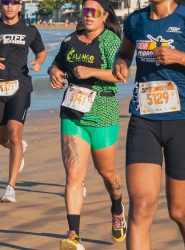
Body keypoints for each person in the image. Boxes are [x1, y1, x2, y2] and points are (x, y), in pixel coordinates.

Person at [113, 0, 185, 249]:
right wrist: (120, 62)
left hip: (184, 123)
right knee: (141, 207)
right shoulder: (136, 20)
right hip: (144, 121)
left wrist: (181, 57)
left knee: (179, 211)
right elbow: (124, 52)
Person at [48, 0, 126, 249]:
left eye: (95, 12)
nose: (89, 16)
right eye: (86, 11)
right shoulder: (70, 40)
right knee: (73, 174)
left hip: (103, 112)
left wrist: (91, 72)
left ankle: (116, 208)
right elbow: (57, 63)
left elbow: (122, 75)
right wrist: (54, 73)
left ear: (104, 16)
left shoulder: (112, 41)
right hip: (72, 112)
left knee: (107, 173)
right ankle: (73, 234)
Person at [0, 0, 46, 203]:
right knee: (2, 138)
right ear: (1, 6)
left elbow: (41, 53)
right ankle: (19, 147)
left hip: (20, 86)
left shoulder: (29, 29)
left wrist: (37, 63)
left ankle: (10, 187)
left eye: (14, 3)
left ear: (20, 7)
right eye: (6, 3)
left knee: (14, 133)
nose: (10, 6)